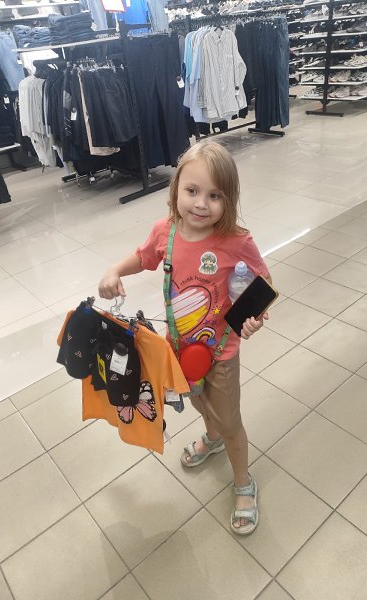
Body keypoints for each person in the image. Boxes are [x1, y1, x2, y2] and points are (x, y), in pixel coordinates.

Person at [98, 140, 272, 535]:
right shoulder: (166, 232)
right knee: (197, 400)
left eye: (215, 196)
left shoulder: (236, 241)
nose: (201, 204)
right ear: (175, 188)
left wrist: (254, 317)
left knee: (230, 420)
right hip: (178, 350)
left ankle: (243, 481)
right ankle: (212, 437)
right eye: (192, 191)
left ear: (229, 200)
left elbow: (262, 282)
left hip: (221, 353)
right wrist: (114, 270)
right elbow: (143, 257)